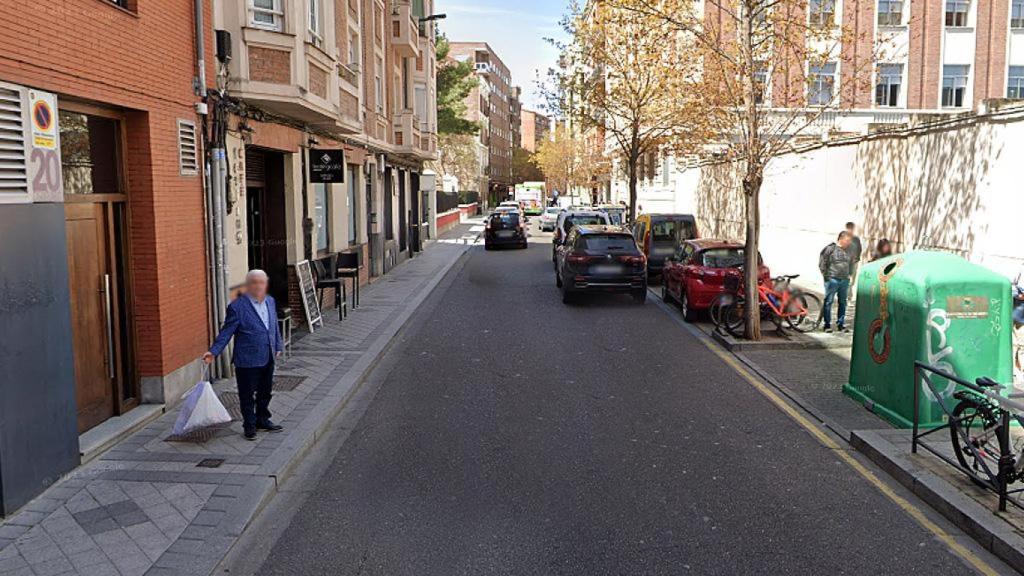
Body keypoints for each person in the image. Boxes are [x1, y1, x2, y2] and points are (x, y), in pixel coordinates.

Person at [203, 269, 285, 440]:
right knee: (246, 395)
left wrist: (278, 345)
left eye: (261, 282)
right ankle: (249, 425)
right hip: (247, 360)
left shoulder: (270, 301)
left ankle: (262, 420)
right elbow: (226, 332)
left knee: (265, 392)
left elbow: (274, 326)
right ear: (248, 285)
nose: (258, 286)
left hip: (267, 355)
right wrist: (213, 352)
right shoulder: (237, 307)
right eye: (254, 282)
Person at [819, 232, 853, 333]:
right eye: (847, 241)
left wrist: (849, 276)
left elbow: (851, 264)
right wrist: (826, 277)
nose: (848, 243)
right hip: (832, 279)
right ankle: (827, 325)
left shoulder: (848, 251)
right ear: (841, 239)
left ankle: (840, 324)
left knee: (843, 302)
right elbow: (822, 263)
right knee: (828, 302)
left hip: (844, 280)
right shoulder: (830, 249)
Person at [844, 222, 863, 302]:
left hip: (854, 262)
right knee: (846, 280)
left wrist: (857, 258)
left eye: (852, 229)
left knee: (852, 281)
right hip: (845, 263)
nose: (850, 230)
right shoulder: (844, 238)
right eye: (849, 228)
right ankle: (847, 297)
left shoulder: (856, 239)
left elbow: (859, 249)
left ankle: (848, 296)